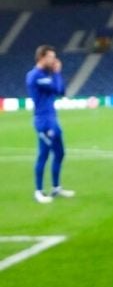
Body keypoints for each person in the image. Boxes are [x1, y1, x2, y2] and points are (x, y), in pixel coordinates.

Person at [26, 45, 75, 204]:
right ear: (41, 57)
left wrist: (55, 74)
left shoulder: (47, 75)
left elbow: (62, 91)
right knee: (44, 154)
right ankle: (39, 191)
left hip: (52, 119)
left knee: (60, 153)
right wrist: (57, 72)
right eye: (51, 57)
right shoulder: (35, 76)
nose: (54, 60)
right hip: (43, 121)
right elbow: (57, 88)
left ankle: (56, 188)